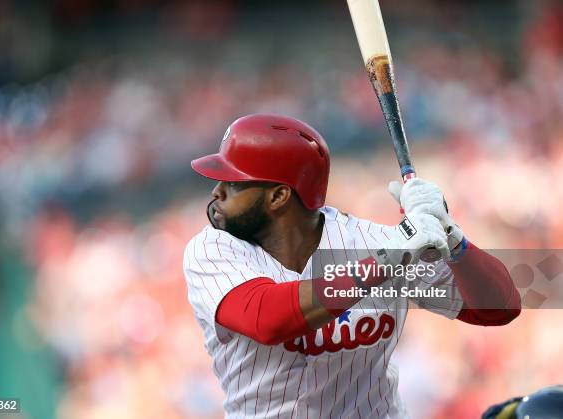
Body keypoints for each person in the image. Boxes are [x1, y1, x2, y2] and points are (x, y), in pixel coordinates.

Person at [183, 113, 521, 418]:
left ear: (278, 197)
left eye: (233, 183)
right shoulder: (213, 249)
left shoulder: (371, 243)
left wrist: (453, 238)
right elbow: (268, 319)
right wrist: (389, 259)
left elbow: (500, 308)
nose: (217, 191)